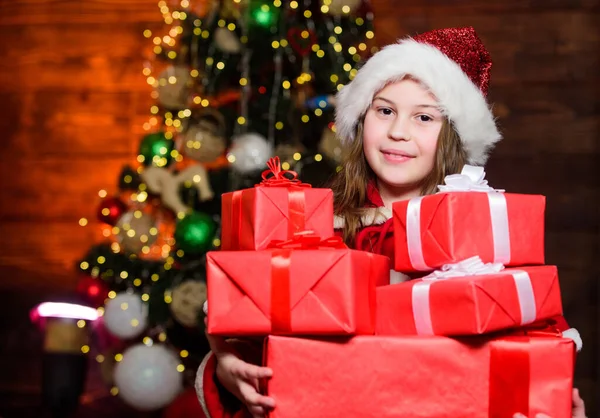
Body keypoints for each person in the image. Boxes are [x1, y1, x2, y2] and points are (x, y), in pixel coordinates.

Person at [196, 27, 585, 418]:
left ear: (453, 135)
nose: (398, 132)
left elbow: (532, 348)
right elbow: (264, 345)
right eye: (385, 111)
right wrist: (226, 366)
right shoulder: (312, 229)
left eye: (424, 117)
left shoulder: (485, 232)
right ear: (361, 119)